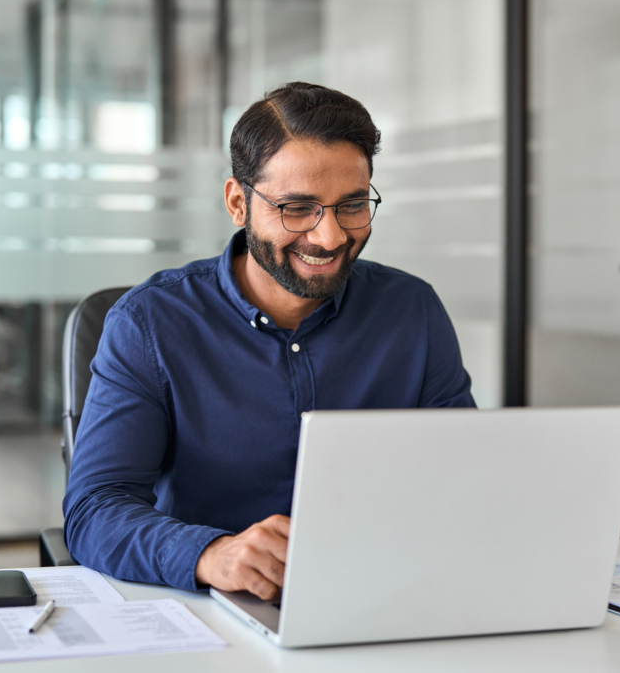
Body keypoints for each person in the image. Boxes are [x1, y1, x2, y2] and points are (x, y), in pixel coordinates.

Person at [63, 82, 475, 598]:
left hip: (382, 591)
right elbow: (95, 510)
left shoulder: (413, 310)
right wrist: (212, 554)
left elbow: (465, 478)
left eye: (351, 205)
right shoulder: (149, 324)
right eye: (296, 208)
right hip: (214, 609)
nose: (329, 237)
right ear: (238, 203)